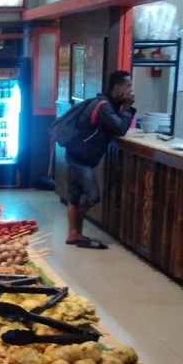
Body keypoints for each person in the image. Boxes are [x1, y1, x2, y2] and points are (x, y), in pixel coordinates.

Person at [65, 70, 136, 249]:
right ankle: (76, 232)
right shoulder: (103, 106)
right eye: (129, 86)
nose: (131, 90)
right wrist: (127, 107)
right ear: (118, 87)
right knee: (92, 195)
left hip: (77, 153)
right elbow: (120, 128)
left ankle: (74, 234)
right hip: (80, 157)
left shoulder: (106, 103)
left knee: (75, 195)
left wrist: (123, 107)